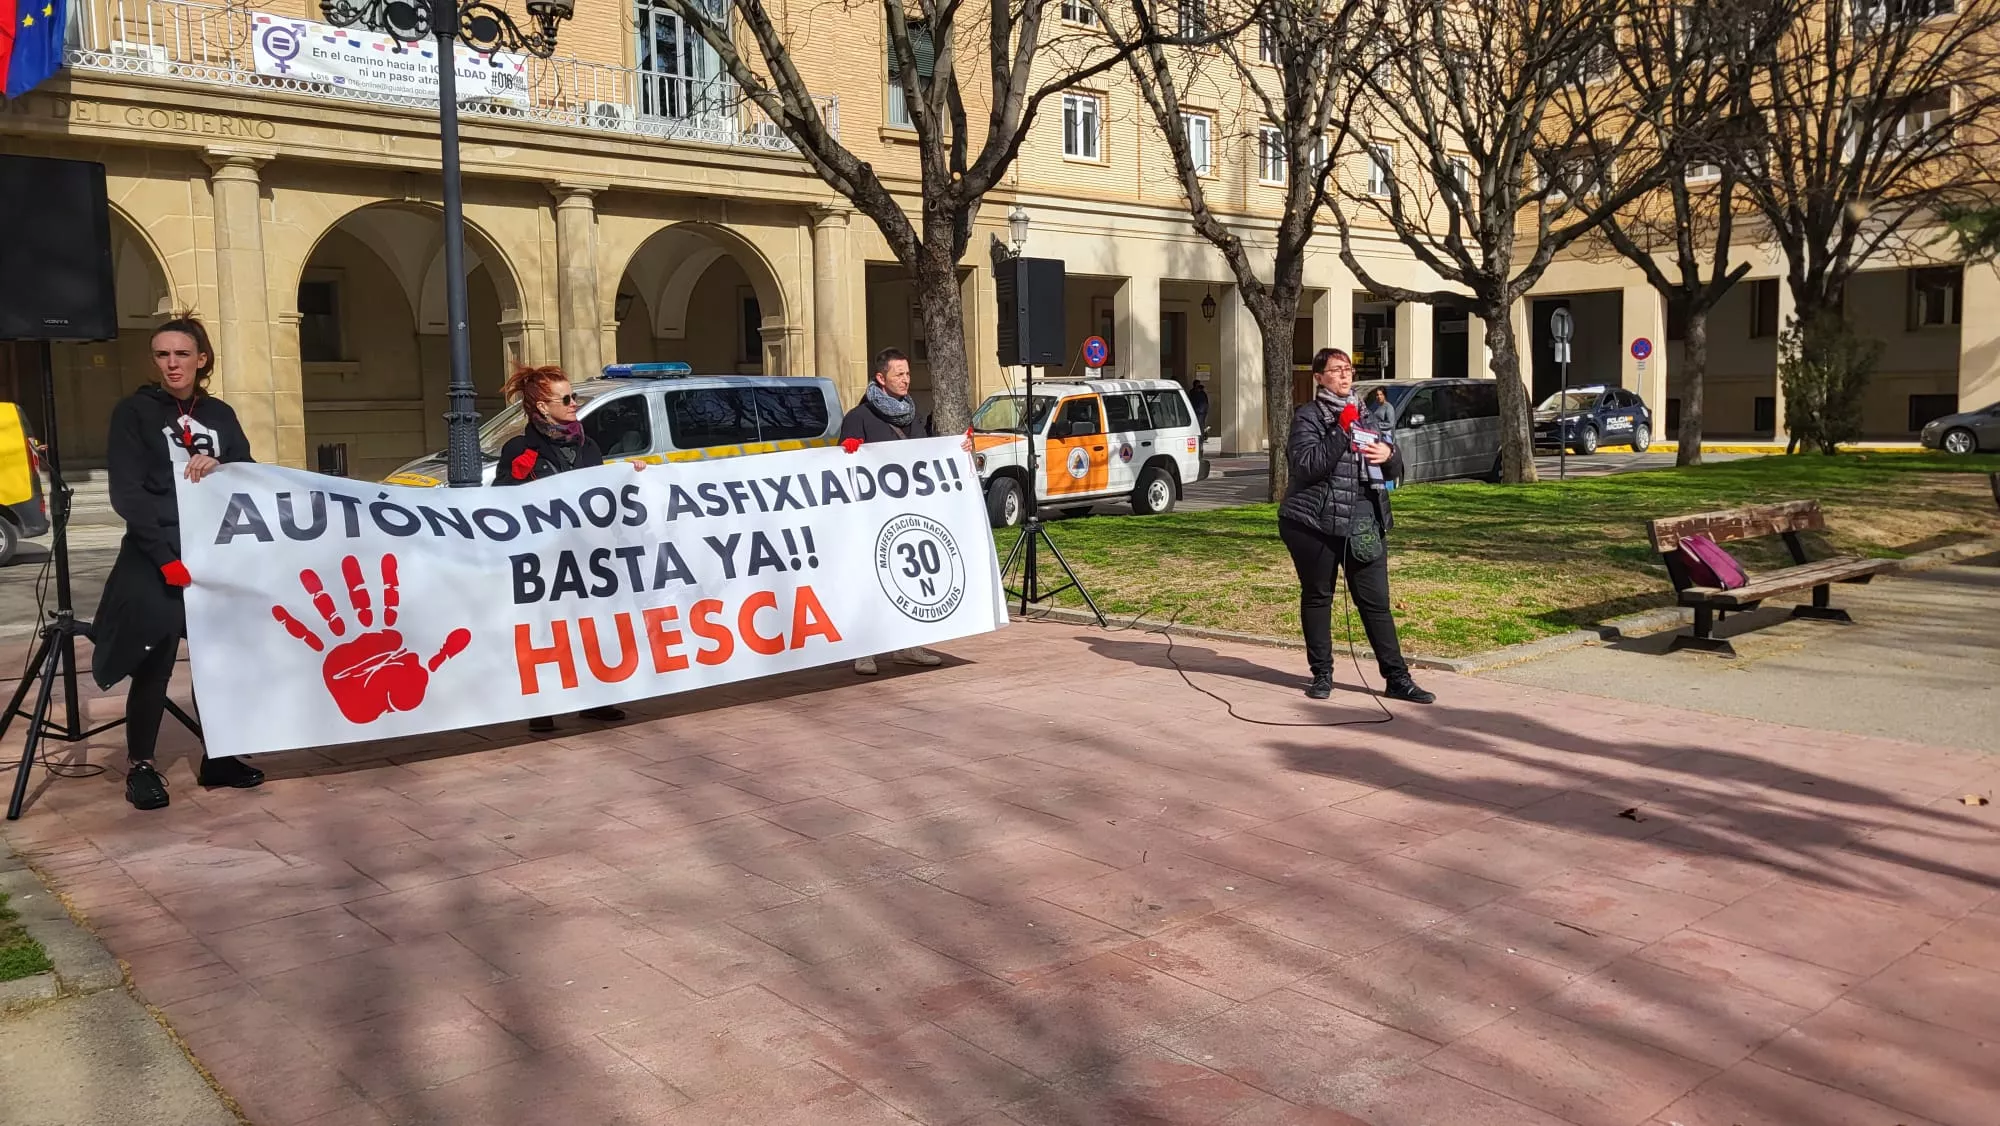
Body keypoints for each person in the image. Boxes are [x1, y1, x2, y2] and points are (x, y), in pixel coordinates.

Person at [93, 317, 266, 811]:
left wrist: (223, 466)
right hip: (155, 555)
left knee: (220, 659)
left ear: (201, 359)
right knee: (155, 659)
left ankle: (220, 756)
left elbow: (247, 473)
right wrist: (165, 558)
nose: (172, 363)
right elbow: (126, 492)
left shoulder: (221, 413)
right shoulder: (133, 413)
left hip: (212, 551)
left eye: (182, 354)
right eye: (162, 355)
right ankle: (142, 768)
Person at [1277, 347, 1435, 704]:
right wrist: (1340, 431)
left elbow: (1393, 469)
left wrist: (1390, 456)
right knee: (1318, 597)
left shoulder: (1368, 415)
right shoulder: (1309, 416)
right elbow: (1306, 466)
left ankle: (1397, 678)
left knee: (1376, 602)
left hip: (1363, 519)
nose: (1345, 376)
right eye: (1335, 370)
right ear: (1319, 378)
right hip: (1313, 522)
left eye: (1348, 369)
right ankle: (1322, 675)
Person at [492, 364, 630, 732]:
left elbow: (602, 497)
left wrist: (630, 478)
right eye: (566, 399)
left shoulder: (589, 446)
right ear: (541, 407)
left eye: (574, 397)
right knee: (545, 630)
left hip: (586, 556)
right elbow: (506, 505)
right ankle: (542, 705)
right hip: (545, 560)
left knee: (588, 625)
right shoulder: (519, 450)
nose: (574, 404)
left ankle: (594, 699)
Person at [840, 347, 969, 676]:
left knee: (907, 580)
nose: (906, 379)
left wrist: (957, 450)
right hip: (872, 518)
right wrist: (849, 453)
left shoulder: (911, 414)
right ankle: (865, 650)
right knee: (870, 582)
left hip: (908, 516)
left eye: (908, 373)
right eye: (899, 374)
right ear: (881, 378)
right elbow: (844, 470)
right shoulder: (859, 418)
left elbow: (925, 457)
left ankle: (908, 645)